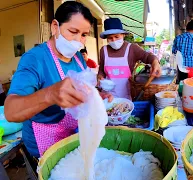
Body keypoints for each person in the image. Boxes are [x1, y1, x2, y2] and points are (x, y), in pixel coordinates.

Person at [4, 2, 113, 161]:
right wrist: (50, 94)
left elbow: (83, 89)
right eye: (72, 31)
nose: (78, 40)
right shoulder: (35, 59)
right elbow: (10, 111)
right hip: (44, 141)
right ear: (55, 27)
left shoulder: (77, 58)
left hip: (71, 132)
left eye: (83, 35)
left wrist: (96, 97)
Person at [98, 18, 161, 100]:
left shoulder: (132, 48)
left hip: (126, 96)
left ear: (123, 35)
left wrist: (155, 62)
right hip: (107, 96)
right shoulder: (103, 50)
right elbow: (101, 70)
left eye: (116, 37)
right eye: (110, 38)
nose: (113, 40)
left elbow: (147, 56)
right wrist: (100, 77)